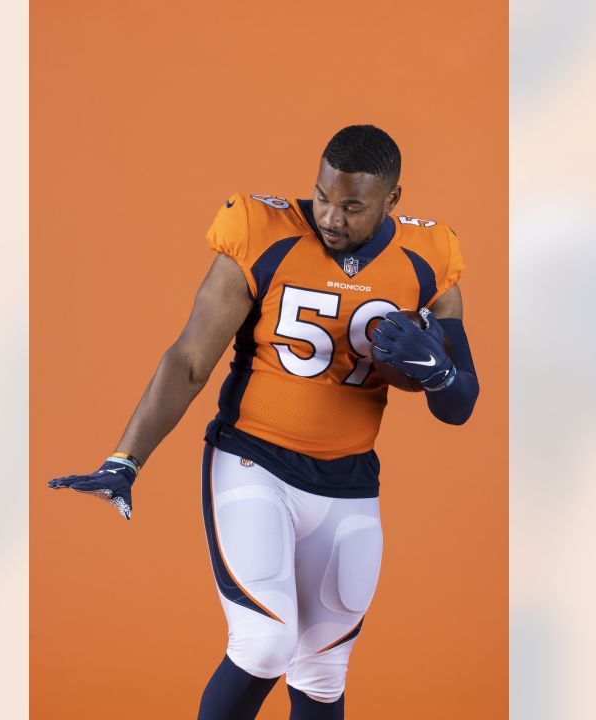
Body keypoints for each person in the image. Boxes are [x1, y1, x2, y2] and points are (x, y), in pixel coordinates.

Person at [50, 125, 479, 719]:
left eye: (352, 206)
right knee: (264, 643)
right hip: (257, 462)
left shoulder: (428, 257)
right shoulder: (263, 232)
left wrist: (436, 371)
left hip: (350, 483)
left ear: (393, 200)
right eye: (323, 196)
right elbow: (190, 359)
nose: (331, 216)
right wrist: (126, 458)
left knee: (323, 672)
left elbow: (460, 405)